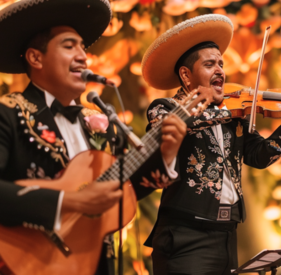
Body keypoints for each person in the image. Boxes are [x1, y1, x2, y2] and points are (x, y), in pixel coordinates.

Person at [0, 0, 186, 274]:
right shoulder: (8, 113)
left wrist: (167, 155)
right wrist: (70, 201)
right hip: (29, 262)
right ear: (35, 58)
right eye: (68, 45)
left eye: (82, 47)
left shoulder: (99, 122)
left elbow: (124, 188)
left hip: (97, 262)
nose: (83, 56)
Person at [141, 14, 281, 275]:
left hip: (227, 235)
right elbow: (178, 125)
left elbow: (260, 156)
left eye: (221, 64)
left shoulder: (233, 113)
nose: (220, 71)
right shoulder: (165, 109)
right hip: (185, 237)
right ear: (186, 75)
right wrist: (228, 112)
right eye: (210, 64)